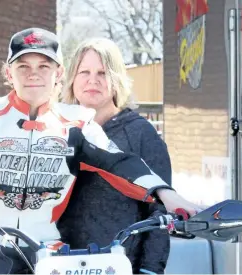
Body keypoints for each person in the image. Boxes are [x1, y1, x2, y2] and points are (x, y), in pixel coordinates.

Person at [0, 27, 201, 274]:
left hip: (49, 254)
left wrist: (167, 194)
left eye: (44, 66)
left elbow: (119, 163)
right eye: (23, 66)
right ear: (8, 72)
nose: (34, 75)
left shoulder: (77, 123)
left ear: (59, 73)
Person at [57, 37, 172, 274]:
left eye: (102, 72)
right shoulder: (55, 129)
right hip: (57, 262)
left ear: (116, 79)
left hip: (119, 264)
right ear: (71, 79)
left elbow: (160, 211)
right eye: (84, 72)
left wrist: (150, 270)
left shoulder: (140, 133)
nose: (93, 80)